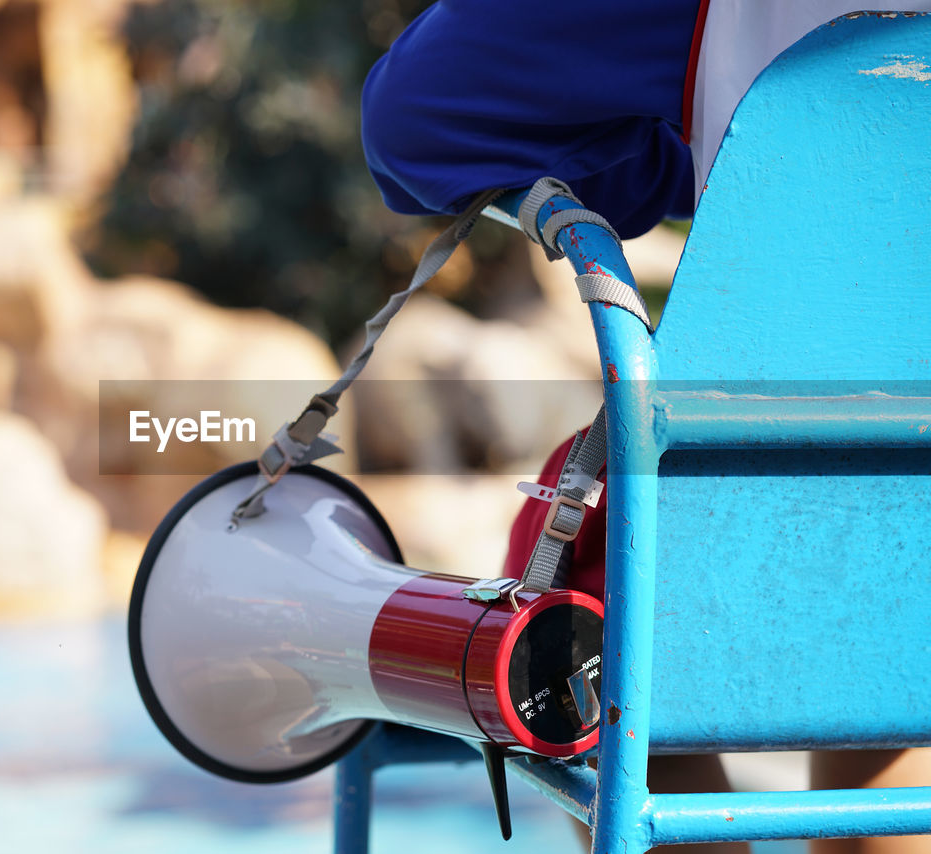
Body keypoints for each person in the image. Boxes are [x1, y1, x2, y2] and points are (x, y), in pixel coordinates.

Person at [361, 4, 931, 854]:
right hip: (901, 544)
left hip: (759, 519)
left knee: (586, 586)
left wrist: (698, 157)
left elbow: (414, 123)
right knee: (881, 589)